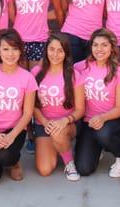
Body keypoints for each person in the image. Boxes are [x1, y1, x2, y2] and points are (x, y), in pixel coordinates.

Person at [0, 29, 37, 185]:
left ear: (20, 50)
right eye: (5, 49)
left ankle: (13, 162)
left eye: (15, 48)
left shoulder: (27, 78)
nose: (10, 54)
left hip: (14, 129)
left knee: (4, 156)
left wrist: (11, 136)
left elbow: (27, 113)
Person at [74, 28, 120, 178]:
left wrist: (103, 118)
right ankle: (97, 148)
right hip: (89, 122)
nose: (99, 49)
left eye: (104, 45)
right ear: (91, 47)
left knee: (103, 133)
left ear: (112, 48)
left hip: (112, 120)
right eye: (96, 45)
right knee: (83, 169)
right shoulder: (80, 68)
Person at [32, 33, 85, 181]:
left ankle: (69, 163)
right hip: (44, 124)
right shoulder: (36, 72)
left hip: (67, 123)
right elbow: (32, 105)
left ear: (66, 53)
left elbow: (81, 109)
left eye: (60, 50)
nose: (55, 54)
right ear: (46, 50)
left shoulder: (74, 75)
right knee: (45, 169)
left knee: (58, 134)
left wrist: (64, 121)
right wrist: (44, 122)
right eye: (52, 49)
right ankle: (60, 145)